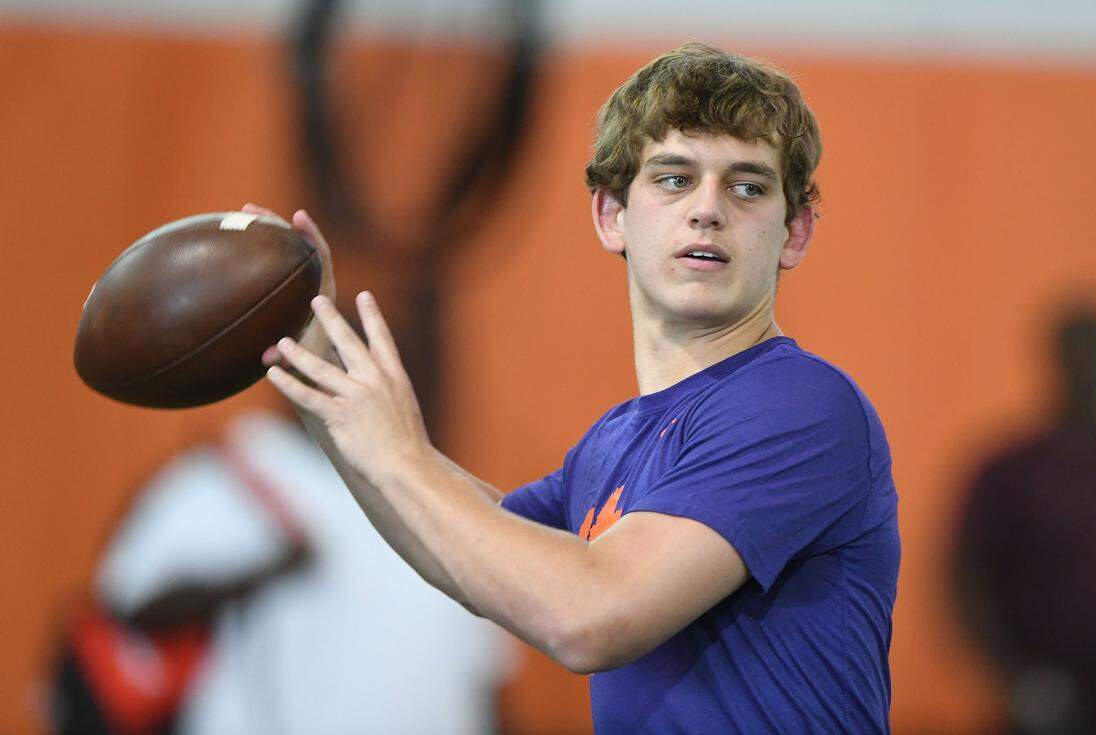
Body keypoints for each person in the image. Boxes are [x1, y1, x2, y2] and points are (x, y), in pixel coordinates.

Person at [252, 41, 901, 733]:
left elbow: (592, 614)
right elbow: (473, 550)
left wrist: (399, 455)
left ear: (795, 231)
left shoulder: (802, 406)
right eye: (675, 178)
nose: (708, 209)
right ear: (610, 215)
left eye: (747, 187)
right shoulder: (613, 441)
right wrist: (330, 404)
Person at [82, 411, 511, 735]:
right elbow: (122, 611)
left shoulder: (442, 504)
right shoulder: (229, 476)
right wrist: (263, 570)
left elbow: (486, 689)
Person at [953, 306, 1096, 735]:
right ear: (1058, 362)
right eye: (1080, 355)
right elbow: (968, 581)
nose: (1091, 369)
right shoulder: (1011, 475)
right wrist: (1015, 675)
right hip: (1044, 704)